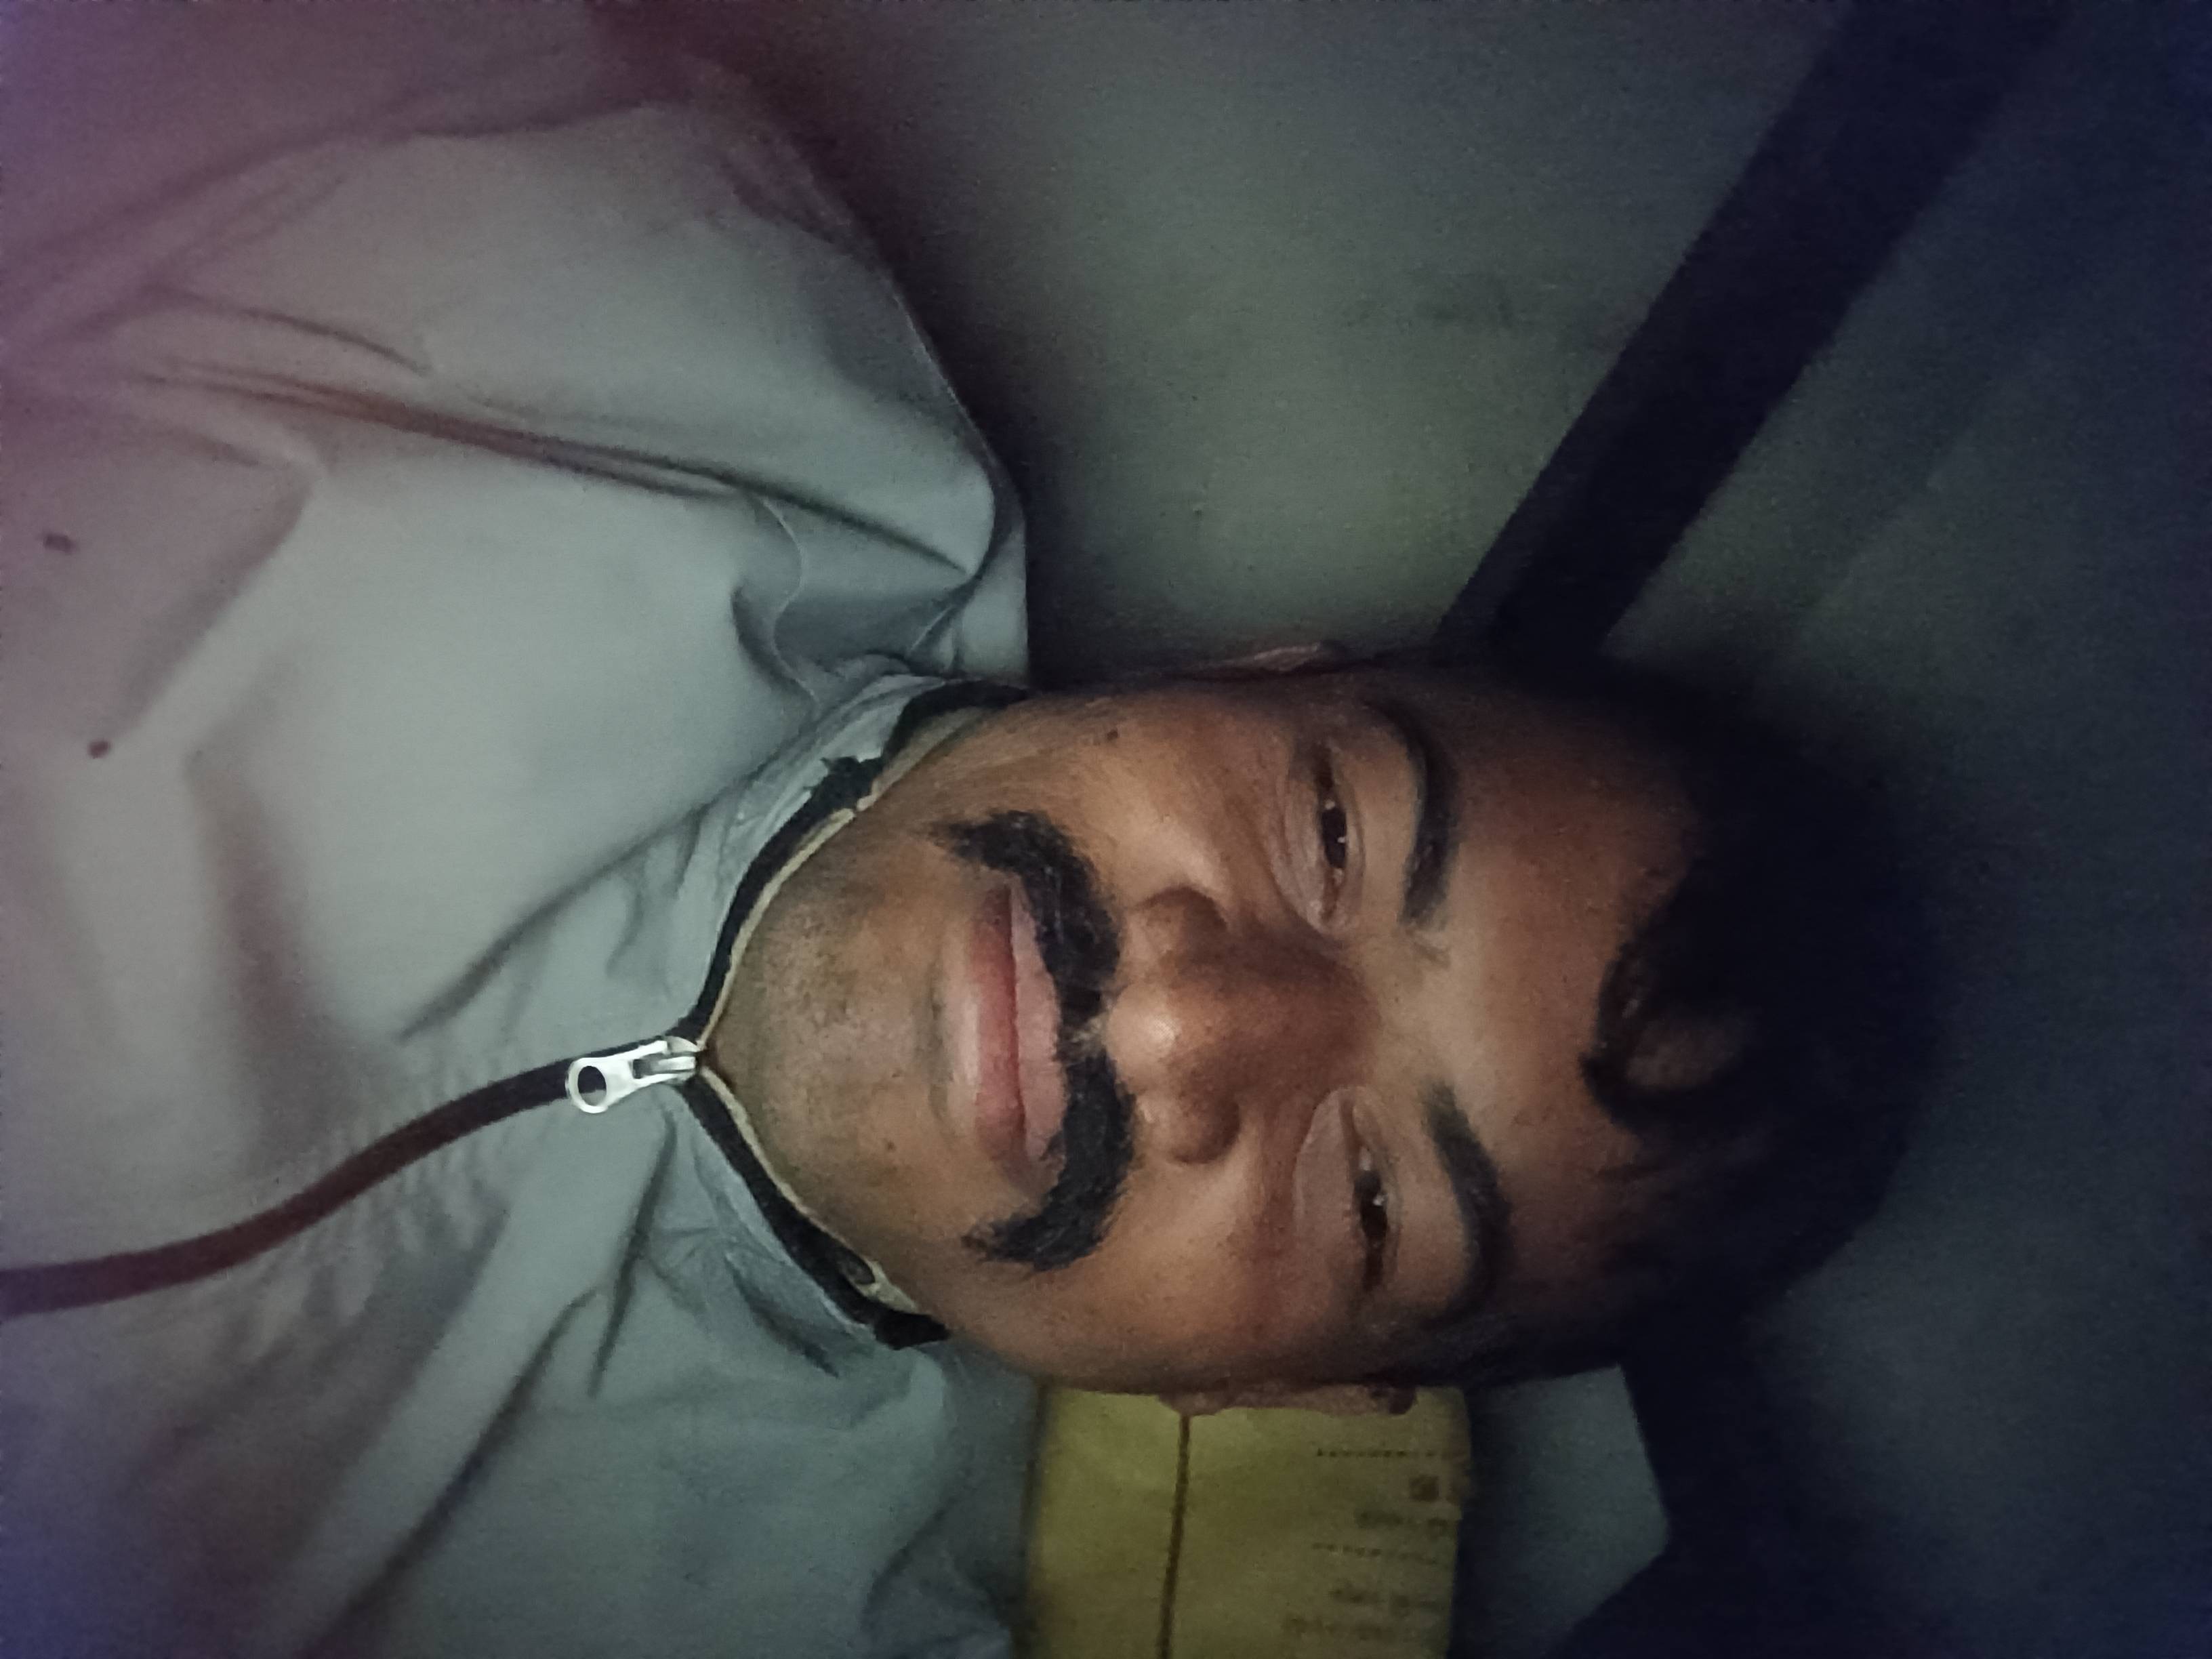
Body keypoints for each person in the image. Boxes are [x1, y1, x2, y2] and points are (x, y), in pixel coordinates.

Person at [0, 9, 1928, 1657]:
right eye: (1332, 835)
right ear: (1261, 671)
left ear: (1290, 1389)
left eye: (1366, 1201)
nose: (1183, 1023)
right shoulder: (599, 258)